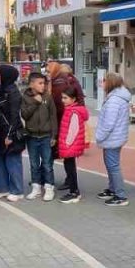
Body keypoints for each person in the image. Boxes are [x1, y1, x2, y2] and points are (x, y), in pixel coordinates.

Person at [95, 72, 131, 207]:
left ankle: (120, 195)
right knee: (111, 164)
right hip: (116, 136)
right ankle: (112, 189)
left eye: (104, 81)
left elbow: (108, 123)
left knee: (113, 166)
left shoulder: (114, 100)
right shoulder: (118, 97)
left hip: (112, 138)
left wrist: (99, 136)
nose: (102, 83)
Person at [21, 72, 58, 201]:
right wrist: (35, 103)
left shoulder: (48, 97)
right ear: (32, 84)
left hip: (46, 136)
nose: (43, 86)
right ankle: (36, 187)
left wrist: (54, 135)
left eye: (44, 83)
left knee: (47, 163)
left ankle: (49, 187)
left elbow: (53, 116)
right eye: (40, 83)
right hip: (31, 136)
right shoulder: (25, 97)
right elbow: (24, 115)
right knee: (34, 163)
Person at [0, 65, 25, 202]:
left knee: (13, 160)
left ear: (5, 76)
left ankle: (17, 190)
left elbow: (14, 115)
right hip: (0, 132)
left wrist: (10, 135)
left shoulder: (13, 93)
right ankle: (2, 188)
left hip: (10, 132)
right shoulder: (2, 91)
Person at [56, 83, 90, 204]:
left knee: (70, 168)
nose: (62, 100)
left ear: (73, 99)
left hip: (70, 145)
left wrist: (66, 143)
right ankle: (73, 190)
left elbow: (73, 130)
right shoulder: (70, 110)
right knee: (69, 167)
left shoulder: (73, 112)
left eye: (65, 98)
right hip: (70, 145)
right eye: (62, 97)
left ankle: (74, 191)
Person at [48, 61, 76, 189]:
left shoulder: (58, 83)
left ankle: (71, 185)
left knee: (64, 154)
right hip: (62, 121)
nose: (47, 73)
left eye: (49, 71)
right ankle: (69, 182)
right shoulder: (62, 81)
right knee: (66, 155)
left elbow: (56, 105)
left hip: (61, 122)